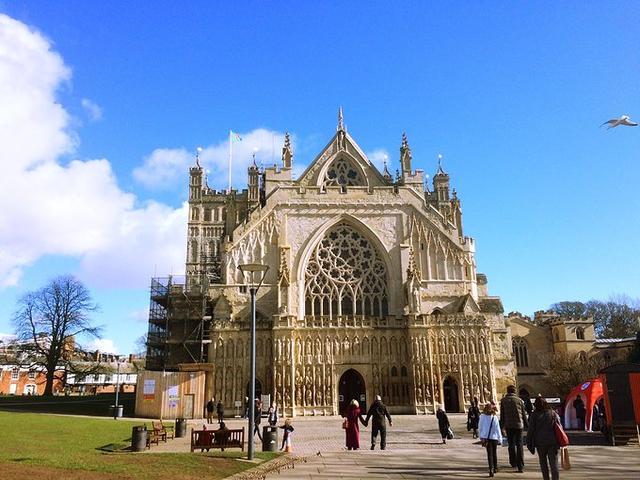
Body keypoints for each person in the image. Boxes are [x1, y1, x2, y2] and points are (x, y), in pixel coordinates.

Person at [526, 397, 561, 480]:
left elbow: (531, 429)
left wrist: (528, 441)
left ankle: (546, 478)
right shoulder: (552, 413)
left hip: (540, 442)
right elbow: (559, 426)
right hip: (552, 441)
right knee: (554, 464)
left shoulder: (534, 415)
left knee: (543, 463)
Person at [500, 385, 528, 472]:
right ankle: (520, 465)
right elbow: (523, 414)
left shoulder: (503, 401)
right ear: (514, 391)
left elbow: (502, 415)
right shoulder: (519, 400)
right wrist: (527, 425)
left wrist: (501, 426)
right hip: (519, 425)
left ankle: (513, 462)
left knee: (511, 444)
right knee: (519, 444)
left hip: (509, 425)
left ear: (508, 391)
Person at [479, 402, 503, 477]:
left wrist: (481, 436)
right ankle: (495, 467)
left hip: (486, 438)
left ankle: (491, 468)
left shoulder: (482, 416)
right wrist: (500, 438)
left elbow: (480, 427)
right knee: (494, 453)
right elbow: (497, 428)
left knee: (489, 454)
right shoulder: (494, 417)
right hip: (494, 437)